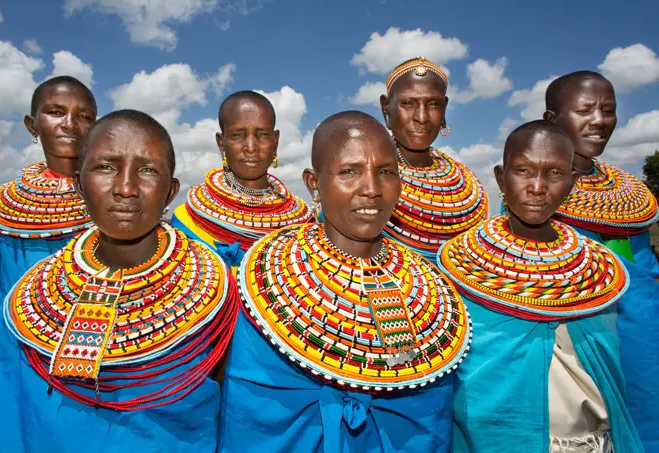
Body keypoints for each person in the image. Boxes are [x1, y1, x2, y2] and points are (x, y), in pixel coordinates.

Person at [0, 110, 239, 453]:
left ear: (171, 190)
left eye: (147, 169)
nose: (126, 188)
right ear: (78, 183)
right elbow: (3, 414)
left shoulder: (217, 292)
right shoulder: (27, 302)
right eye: (106, 167)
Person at [219, 111, 471, 453]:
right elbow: (249, 413)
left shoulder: (424, 288)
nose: (371, 189)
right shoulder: (262, 285)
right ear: (314, 183)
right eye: (349, 172)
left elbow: (425, 416)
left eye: (385, 172)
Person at [437, 120, 644, 452]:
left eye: (554, 174)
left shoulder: (597, 273)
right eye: (523, 170)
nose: (537, 186)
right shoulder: (457, 271)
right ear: (500, 178)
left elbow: (612, 370)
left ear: (573, 182)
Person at [0, 76, 96, 323]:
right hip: (14, 349)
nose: (70, 124)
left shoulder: (118, 194)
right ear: (32, 125)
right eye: (56, 112)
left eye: (84, 116)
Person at [171, 90, 312, 268]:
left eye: (262, 134)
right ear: (221, 143)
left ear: (275, 141)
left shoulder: (304, 225)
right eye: (238, 135)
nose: (251, 147)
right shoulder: (187, 223)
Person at [544, 71, 659, 277]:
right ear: (551, 120)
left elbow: (645, 273)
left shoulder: (629, 196)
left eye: (608, 111)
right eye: (584, 110)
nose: (599, 120)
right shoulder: (530, 188)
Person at [378, 57, 488, 261]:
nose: (422, 117)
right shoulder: (367, 175)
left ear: (445, 108)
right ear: (386, 106)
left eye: (433, 104)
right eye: (408, 103)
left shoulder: (465, 181)